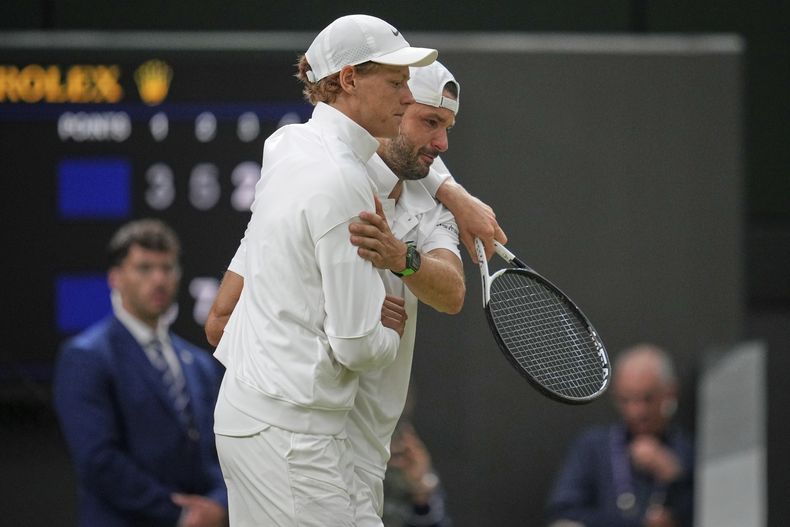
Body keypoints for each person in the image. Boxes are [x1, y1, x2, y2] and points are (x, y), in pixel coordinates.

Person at [209, 59, 472, 526]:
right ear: (396, 108)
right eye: (429, 121)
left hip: (361, 450)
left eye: (447, 127)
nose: (442, 143)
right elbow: (221, 319)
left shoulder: (427, 205)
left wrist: (401, 255)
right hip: (301, 440)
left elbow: (451, 293)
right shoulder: (318, 172)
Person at [53, 219, 227, 527]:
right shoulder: (86, 357)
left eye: (168, 268)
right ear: (115, 278)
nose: (159, 279)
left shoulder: (198, 363)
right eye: (145, 268)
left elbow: (219, 452)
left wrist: (218, 503)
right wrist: (180, 514)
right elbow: (99, 461)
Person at [545, 343, 694, 527]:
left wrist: (675, 477)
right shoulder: (594, 446)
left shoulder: (687, 450)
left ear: (669, 393)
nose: (637, 412)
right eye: (626, 400)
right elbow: (563, 510)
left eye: (647, 398)